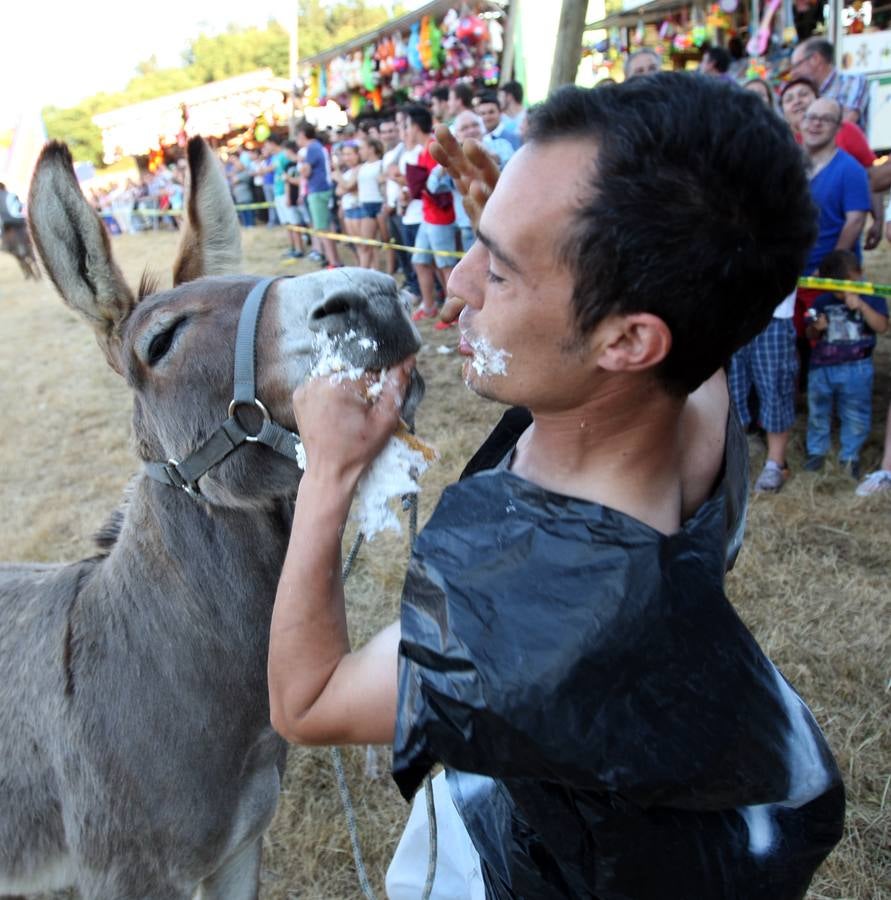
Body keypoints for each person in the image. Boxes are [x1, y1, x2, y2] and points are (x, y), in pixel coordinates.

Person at [268, 74, 844, 899]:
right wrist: (514, 226)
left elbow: (307, 701)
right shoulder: (693, 382)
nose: (458, 285)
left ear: (627, 340)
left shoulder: (532, 619)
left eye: (497, 274)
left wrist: (328, 472)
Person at [803, 250, 888, 479]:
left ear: (859, 275)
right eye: (836, 288)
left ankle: (850, 456)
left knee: (856, 414)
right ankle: (816, 453)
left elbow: (881, 326)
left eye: (848, 284)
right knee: (818, 412)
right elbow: (809, 331)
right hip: (822, 368)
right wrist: (816, 328)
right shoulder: (821, 301)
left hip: (857, 368)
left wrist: (860, 305)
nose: (842, 293)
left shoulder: (872, 296)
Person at [780, 78, 882, 250]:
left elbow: (872, 176)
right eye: (789, 99)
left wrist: (878, 220)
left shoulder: (847, 133)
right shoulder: (781, 146)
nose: (796, 101)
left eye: (803, 95)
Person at [790, 37, 869, 133]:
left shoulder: (851, 81)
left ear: (815, 59)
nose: (793, 73)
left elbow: (847, 121)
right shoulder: (806, 93)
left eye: (797, 65)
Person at [296, 120, 342, 268]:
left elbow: (305, 172)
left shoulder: (312, 148)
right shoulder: (317, 147)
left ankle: (333, 262)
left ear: (302, 134)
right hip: (320, 190)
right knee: (324, 227)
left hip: (318, 191)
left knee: (322, 228)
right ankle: (332, 260)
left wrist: (301, 163)